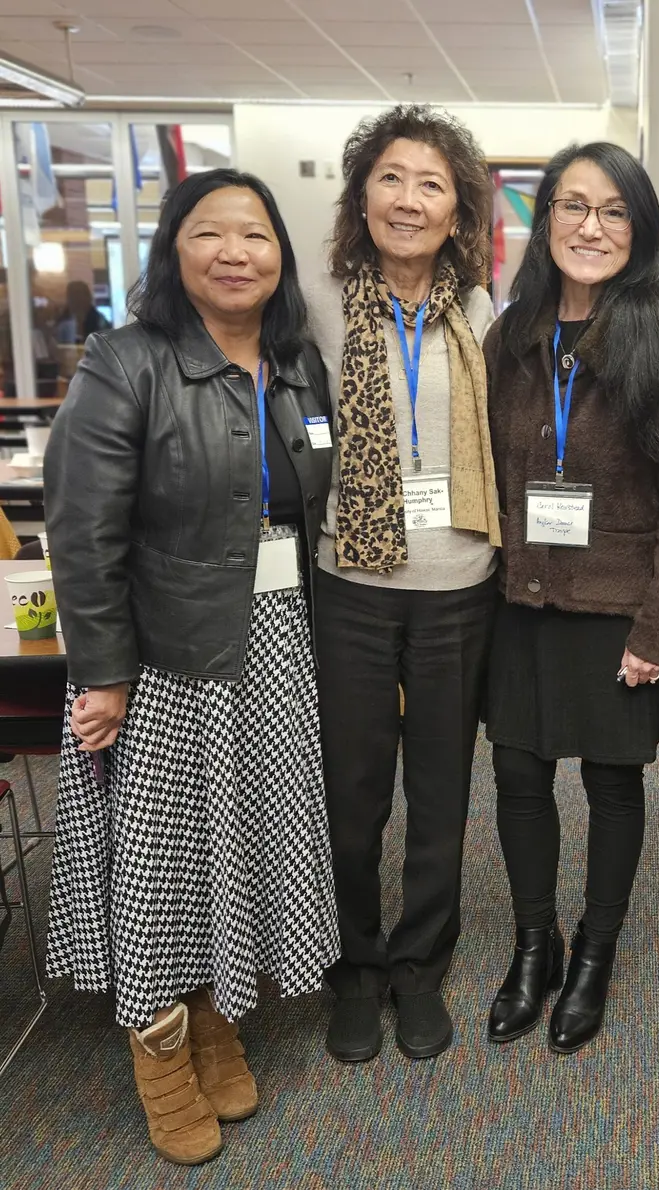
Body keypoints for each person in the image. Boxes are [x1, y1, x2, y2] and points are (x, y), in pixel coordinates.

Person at [42, 169, 339, 1165]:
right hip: (163, 650)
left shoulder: (297, 362)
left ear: (279, 256)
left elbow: (305, 501)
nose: (234, 252)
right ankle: (159, 1039)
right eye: (208, 233)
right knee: (161, 855)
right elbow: (80, 532)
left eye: (254, 234)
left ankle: (216, 1005)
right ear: (173, 250)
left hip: (275, 636)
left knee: (244, 832)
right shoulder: (125, 362)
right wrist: (103, 671)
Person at [483, 142, 659, 1053]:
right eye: (573, 207)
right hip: (519, 602)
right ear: (544, 218)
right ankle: (533, 945)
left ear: (640, 228)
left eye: (614, 211)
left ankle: (594, 954)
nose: (592, 227)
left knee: (610, 783)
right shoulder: (511, 337)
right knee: (517, 775)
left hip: (620, 609)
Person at [307, 104, 502, 1066]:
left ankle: (420, 963)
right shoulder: (315, 305)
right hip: (349, 581)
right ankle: (354, 964)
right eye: (391, 178)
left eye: (432, 183)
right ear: (363, 195)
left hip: (459, 581)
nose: (410, 198)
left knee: (439, 787)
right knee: (351, 789)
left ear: (459, 210)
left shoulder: (481, 313)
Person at [55, 280, 110, 344]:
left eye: (79, 295)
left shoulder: (100, 321)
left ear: (88, 298)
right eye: (72, 296)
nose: (76, 300)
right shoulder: (63, 323)